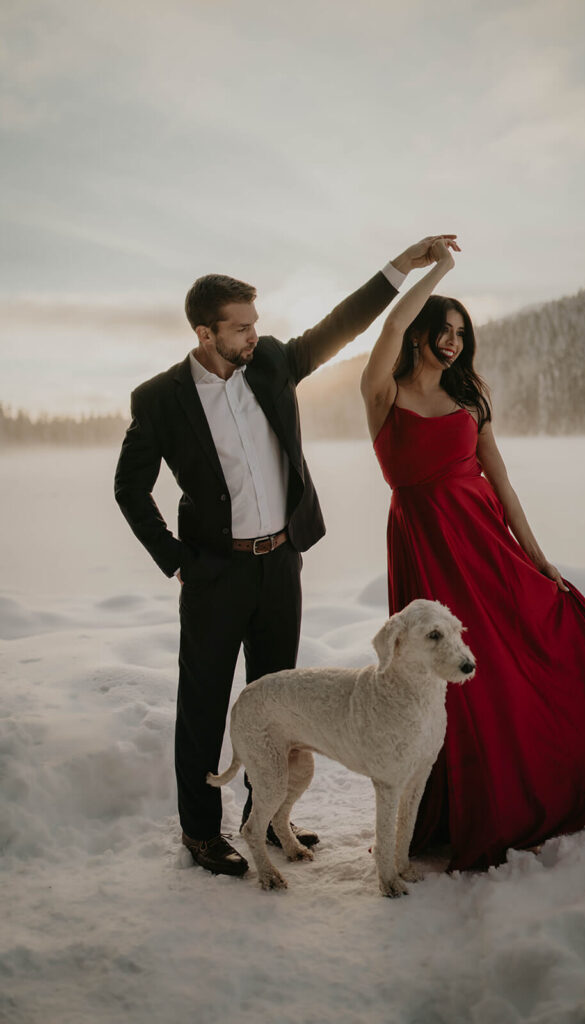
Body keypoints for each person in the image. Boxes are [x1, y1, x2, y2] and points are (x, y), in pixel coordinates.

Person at [114, 235, 454, 877]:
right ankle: (200, 833)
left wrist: (399, 269)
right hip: (214, 574)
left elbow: (339, 326)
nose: (252, 335)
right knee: (204, 704)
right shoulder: (159, 399)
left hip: (280, 567)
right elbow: (129, 489)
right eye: (239, 327)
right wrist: (175, 557)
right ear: (204, 332)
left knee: (278, 702)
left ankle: (267, 821)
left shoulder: (270, 362)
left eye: (255, 324)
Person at [361, 236, 585, 871]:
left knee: (523, 660)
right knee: (443, 683)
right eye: (442, 330)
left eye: (461, 332)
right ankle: (452, 806)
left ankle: (563, 773)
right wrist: (438, 269)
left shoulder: (471, 403)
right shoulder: (383, 395)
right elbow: (391, 321)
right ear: (421, 333)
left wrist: (539, 560)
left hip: (488, 550)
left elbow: (501, 483)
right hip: (426, 549)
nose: (452, 341)